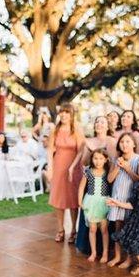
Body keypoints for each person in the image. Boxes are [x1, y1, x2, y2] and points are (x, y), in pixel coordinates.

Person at [73, 116, 117, 255]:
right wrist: (87, 149)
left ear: (107, 126)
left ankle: (104, 249)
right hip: (91, 182)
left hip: (105, 181)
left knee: (103, 223)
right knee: (91, 219)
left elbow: (112, 162)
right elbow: (85, 162)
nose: (99, 124)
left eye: (102, 122)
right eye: (97, 122)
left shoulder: (111, 141)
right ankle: (88, 247)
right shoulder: (87, 141)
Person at [47, 103, 85, 243]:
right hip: (58, 167)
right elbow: (50, 150)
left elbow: (81, 150)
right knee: (59, 200)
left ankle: (73, 230)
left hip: (73, 168)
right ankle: (60, 230)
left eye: (66, 112)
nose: (63, 115)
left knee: (73, 200)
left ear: (71, 115)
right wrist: (50, 168)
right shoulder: (55, 130)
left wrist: (72, 167)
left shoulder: (76, 130)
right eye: (62, 112)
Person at [106, 133, 139, 267]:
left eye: (127, 141)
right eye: (121, 142)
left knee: (128, 229)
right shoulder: (117, 159)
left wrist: (127, 168)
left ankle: (128, 259)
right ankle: (117, 256)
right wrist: (118, 167)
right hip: (117, 198)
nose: (124, 144)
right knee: (118, 228)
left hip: (130, 200)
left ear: (133, 144)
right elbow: (110, 179)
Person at [78, 148, 111, 263]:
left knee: (104, 229)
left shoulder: (108, 172)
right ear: (92, 159)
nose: (98, 161)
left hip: (103, 202)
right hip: (91, 202)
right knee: (92, 229)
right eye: (95, 158)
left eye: (101, 158)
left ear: (106, 160)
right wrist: (79, 201)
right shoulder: (88, 171)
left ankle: (105, 253)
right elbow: (82, 187)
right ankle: (94, 252)